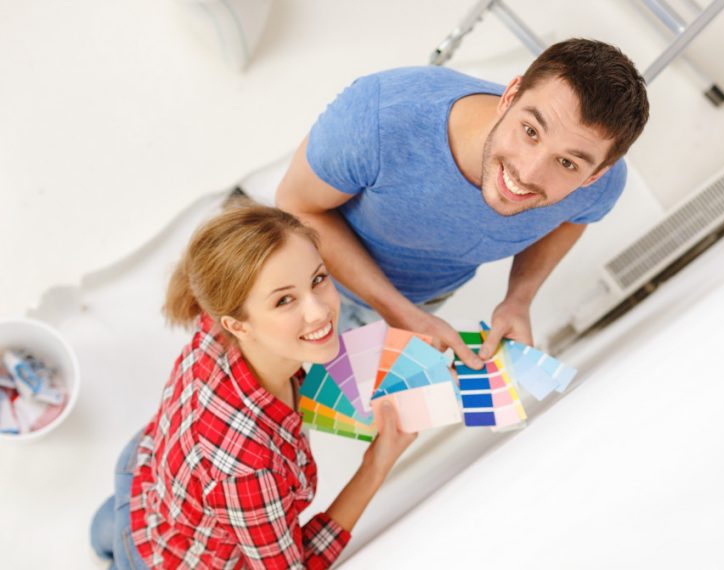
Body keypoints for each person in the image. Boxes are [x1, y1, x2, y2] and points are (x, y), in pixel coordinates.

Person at [275, 38, 649, 370]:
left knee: (328, 422)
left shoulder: (598, 188)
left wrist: (518, 298)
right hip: (302, 283)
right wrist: (396, 311)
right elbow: (294, 208)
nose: (527, 173)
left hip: (418, 308)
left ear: (595, 175)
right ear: (510, 96)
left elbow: (575, 217)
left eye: (566, 163)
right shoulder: (380, 115)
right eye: (531, 131)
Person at [89, 203, 416, 569]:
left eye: (319, 279)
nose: (320, 312)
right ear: (238, 325)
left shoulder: (216, 322)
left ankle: (101, 540)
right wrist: (377, 463)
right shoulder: (248, 468)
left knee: (108, 532)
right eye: (284, 300)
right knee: (123, 553)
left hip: (141, 472)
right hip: (161, 556)